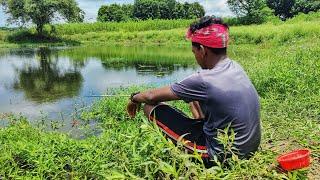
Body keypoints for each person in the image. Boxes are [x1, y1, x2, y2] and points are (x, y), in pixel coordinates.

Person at [127, 16, 261, 167]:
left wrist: (134, 98)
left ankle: (185, 160)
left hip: (221, 156)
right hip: (250, 149)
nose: (195, 57)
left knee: (149, 107)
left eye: (194, 52)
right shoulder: (235, 66)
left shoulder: (203, 80)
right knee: (193, 98)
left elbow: (151, 96)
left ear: (202, 50)